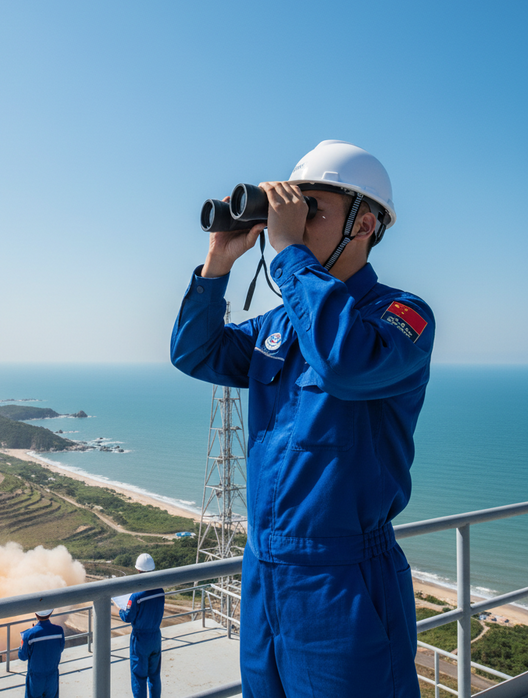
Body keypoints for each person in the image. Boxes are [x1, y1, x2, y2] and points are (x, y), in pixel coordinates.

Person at [171, 140, 434, 698]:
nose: (291, 220)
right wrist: (218, 261)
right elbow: (195, 353)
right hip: (265, 571)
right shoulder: (279, 325)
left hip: (343, 583)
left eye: (311, 208)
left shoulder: (400, 317)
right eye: (288, 206)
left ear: (363, 224)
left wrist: (289, 255)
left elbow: (342, 361)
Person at [119, 553, 165, 698]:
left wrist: (121, 610)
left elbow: (128, 617)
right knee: (154, 675)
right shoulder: (160, 591)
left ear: (138, 570)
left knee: (139, 676)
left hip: (140, 639)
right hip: (156, 636)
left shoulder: (136, 596)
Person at [18, 608, 66, 698]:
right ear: (51, 613)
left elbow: (22, 656)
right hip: (52, 675)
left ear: (36, 615)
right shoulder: (59, 631)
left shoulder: (29, 634)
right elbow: (60, 648)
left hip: (36, 678)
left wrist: (25, 637)